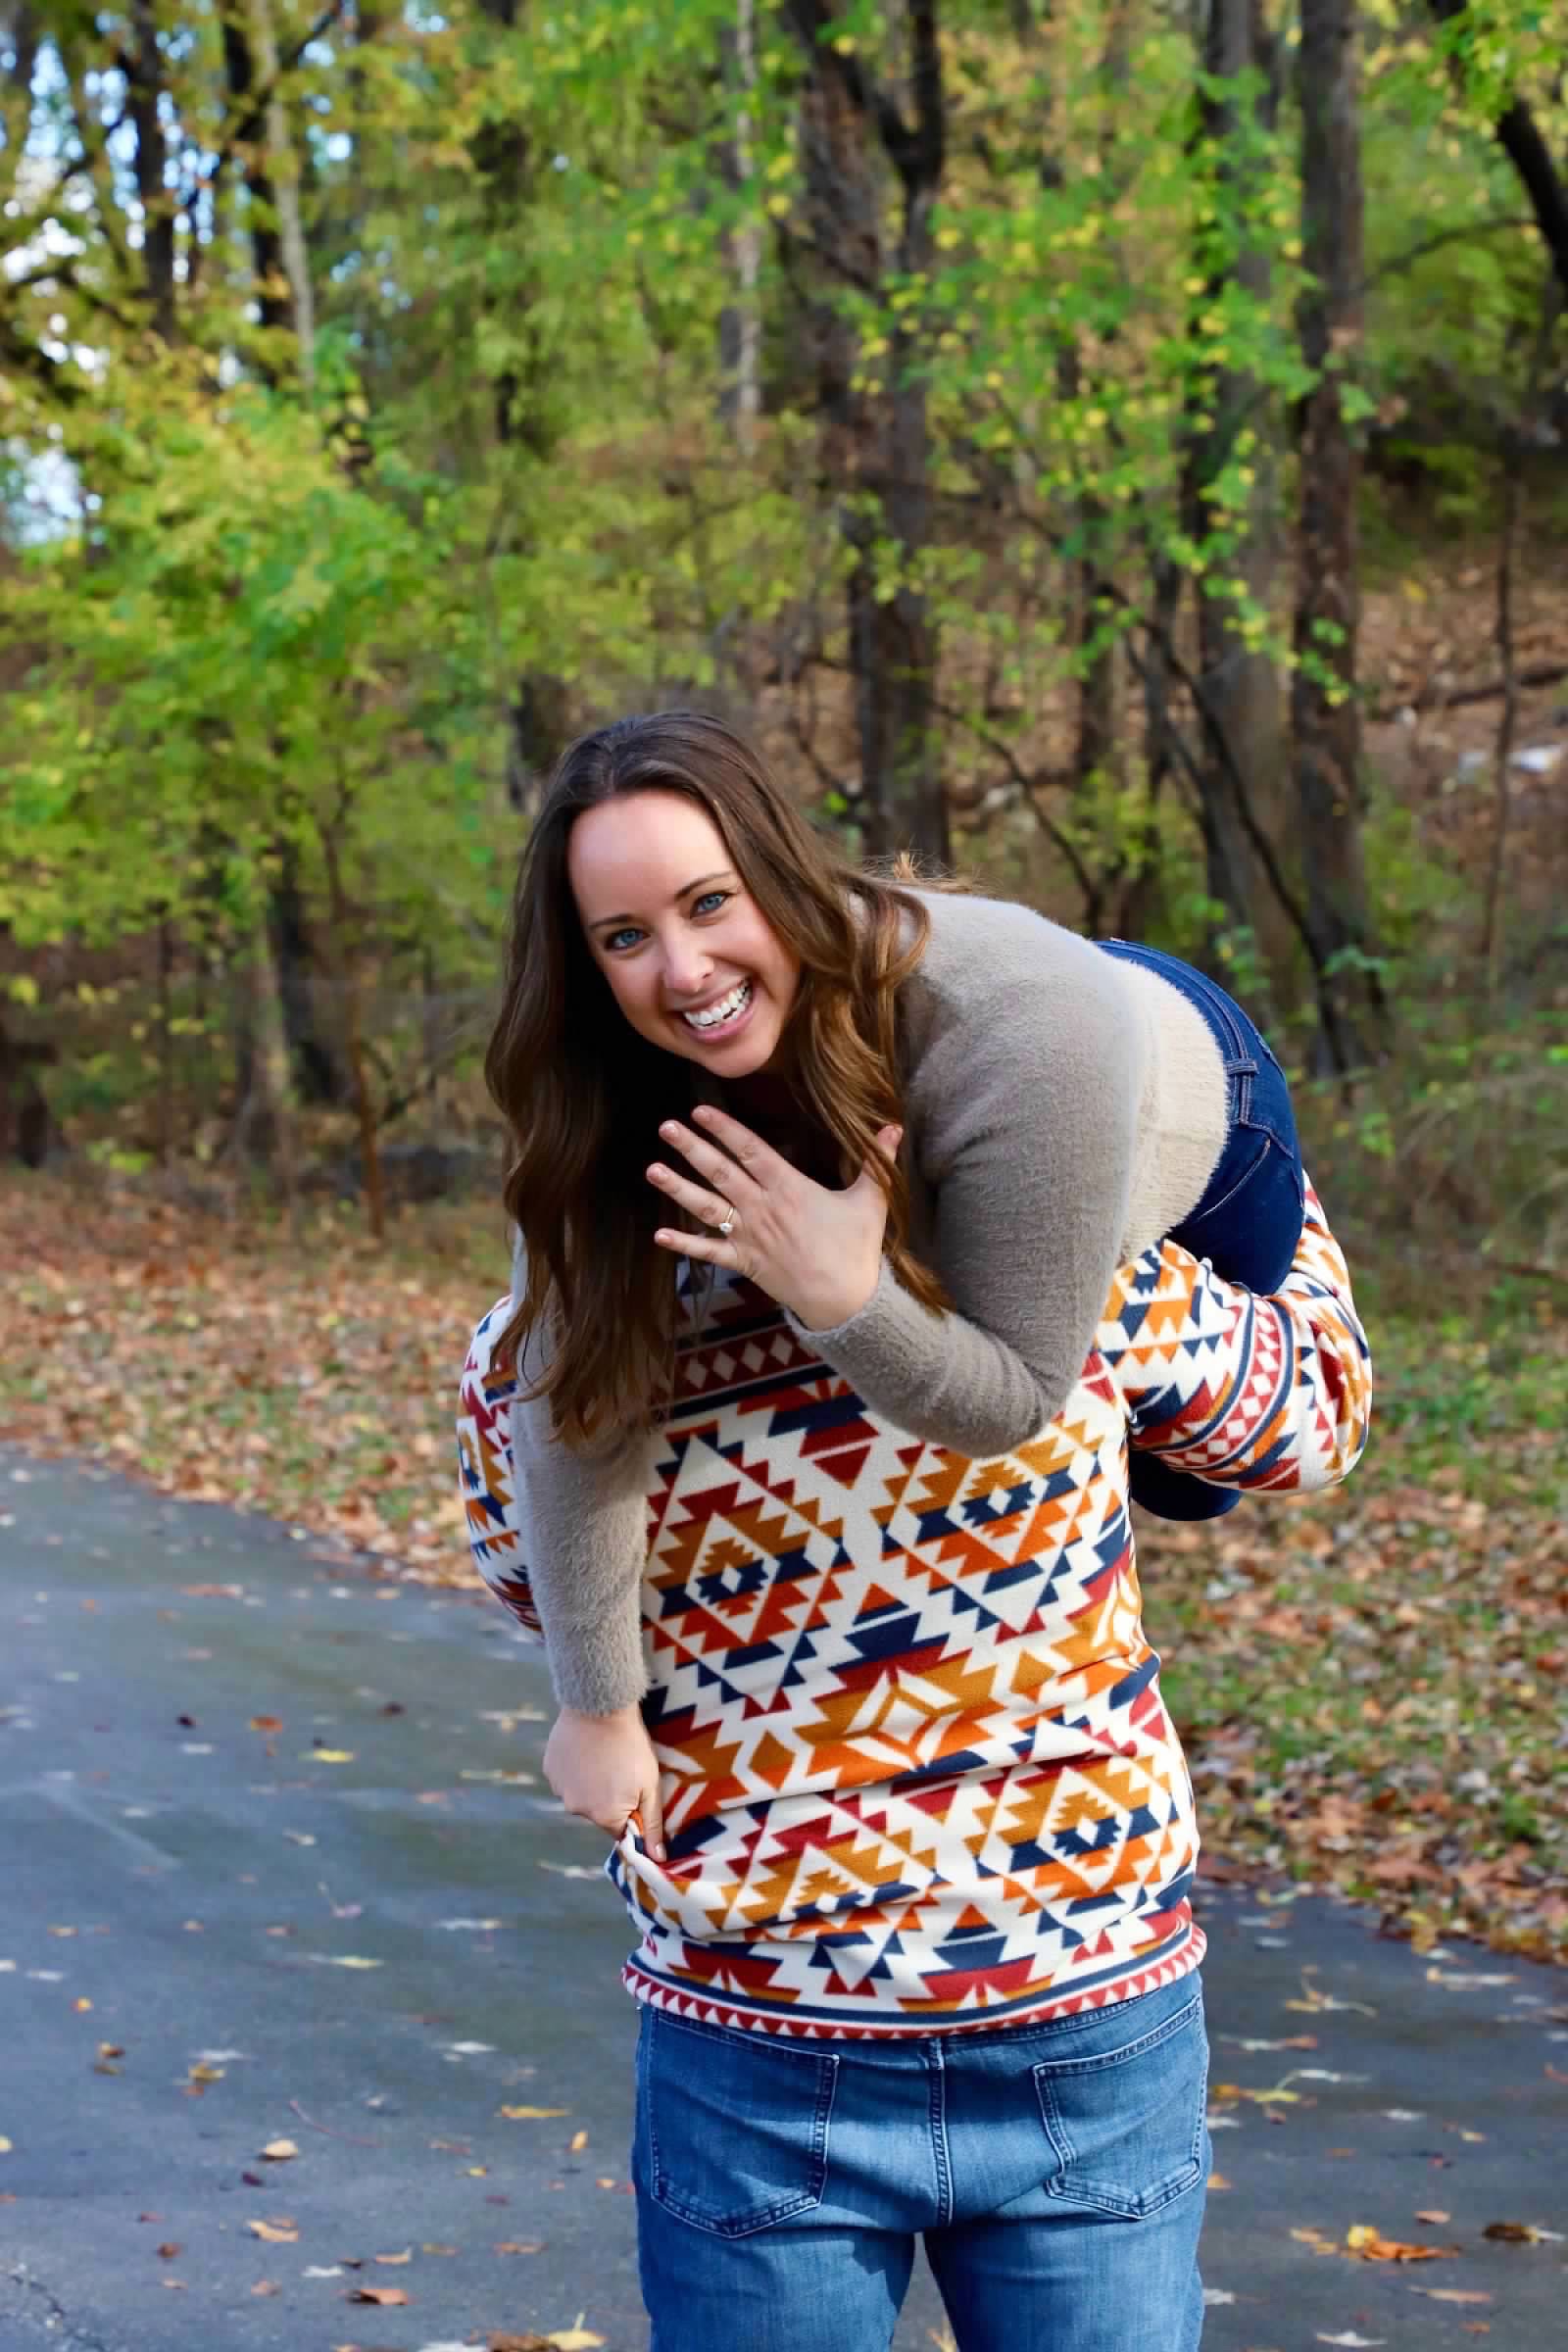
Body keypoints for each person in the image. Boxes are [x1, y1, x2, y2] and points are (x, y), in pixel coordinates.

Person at [456, 710, 1371, 2352]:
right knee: (1203, 1450)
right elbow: (1311, 1422)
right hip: (905, 2013)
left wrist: (839, 1301)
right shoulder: (1122, 1294)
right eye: (626, 936)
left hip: (964, 2018)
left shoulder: (1047, 1177)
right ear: (588, 970)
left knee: (1173, 1431)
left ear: (786, 884)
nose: (679, 963)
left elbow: (520, 1562)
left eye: (711, 902)